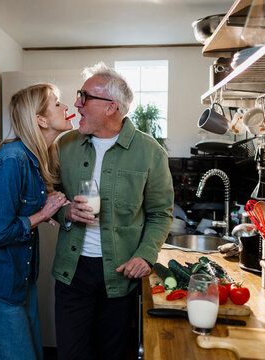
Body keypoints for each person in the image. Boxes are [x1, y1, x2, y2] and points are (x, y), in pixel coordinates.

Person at [52, 62, 174, 360]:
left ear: (111, 107)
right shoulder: (64, 145)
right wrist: (64, 212)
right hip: (73, 272)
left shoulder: (150, 152)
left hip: (120, 274)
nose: (77, 103)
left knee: (114, 354)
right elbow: (48, 194)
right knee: (72, 354)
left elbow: (161, 212)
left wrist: (146, 255)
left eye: (85, 97)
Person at [0, 83, 74, 360]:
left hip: (20, 275)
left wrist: (50, 210)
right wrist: (43, 214)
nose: (66, 107)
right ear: (40, 120)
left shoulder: (36, 159)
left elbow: (20, 210)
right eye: (57, 103)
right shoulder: (12, 161)